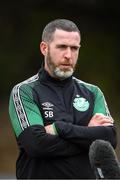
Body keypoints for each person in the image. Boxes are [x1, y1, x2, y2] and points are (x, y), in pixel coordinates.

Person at [9, 19, 117, 179]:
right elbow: (36, 145)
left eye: (74, 48)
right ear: (44, 48)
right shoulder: (24, 91)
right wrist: (88, 133)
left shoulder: (93, 92)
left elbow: (109, 139)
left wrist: (59, 128)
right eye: (61, 47)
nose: (68, 55)